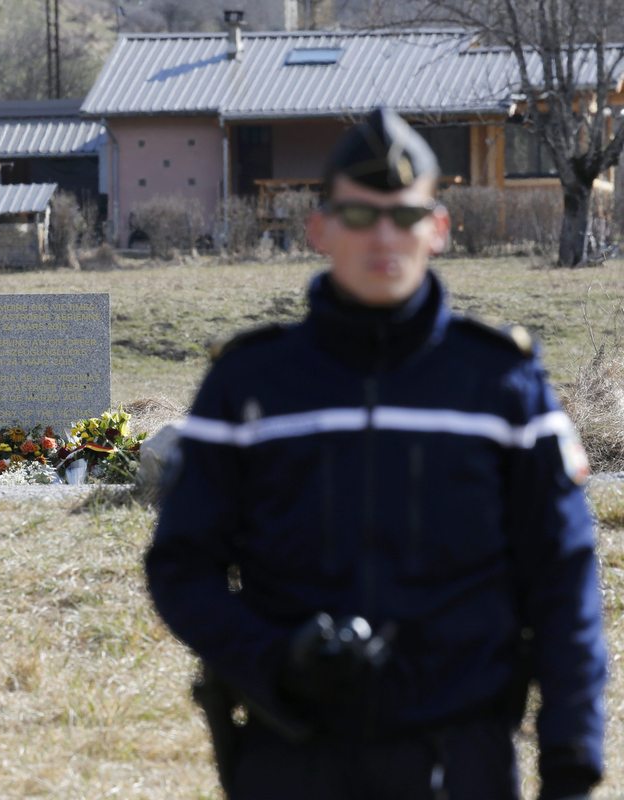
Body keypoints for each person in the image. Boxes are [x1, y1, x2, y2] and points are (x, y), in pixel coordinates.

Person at [146, 108, 606, 800]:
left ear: (440, 229)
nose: (384, 236)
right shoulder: (250, 384)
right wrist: (274, 659)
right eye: (360, 217)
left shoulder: (502, 384)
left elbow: (563, 577)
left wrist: (572, 754)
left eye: (406, 215)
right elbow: (182, 568)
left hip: (460, 755)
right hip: (293, 750)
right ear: (320, 228)